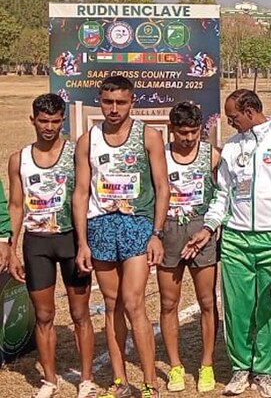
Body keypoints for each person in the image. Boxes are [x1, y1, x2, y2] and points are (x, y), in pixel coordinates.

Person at [186, 89, 271, 397]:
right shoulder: (232, 147)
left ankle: (266, 371)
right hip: (236, 238)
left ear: (250, 112)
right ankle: (240, 369)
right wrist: (209, 227)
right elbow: (222, 195)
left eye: (233, 116)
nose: (230, 121)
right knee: (238, 308)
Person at [73, 76, 170, 398]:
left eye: (121, 102)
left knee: (133, 303)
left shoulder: (149, 136)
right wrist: (83, 242)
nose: (113, 109)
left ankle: (149, 382)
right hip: (100, 226)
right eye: (107, 101)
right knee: (112, 304)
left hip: (136, 225)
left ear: (132, 102)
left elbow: (162, 188)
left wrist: (156, 234)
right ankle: (119, 380)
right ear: (99, 101)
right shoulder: (88, 140)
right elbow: (80, 193)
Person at [6, 94, 97, 398]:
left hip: (71, 240)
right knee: (44, 316)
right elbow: (16, 205)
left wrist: (85, 244)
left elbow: (84, 195)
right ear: (32, 120)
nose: (48, 127)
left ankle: (86, 379)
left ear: (62, 121)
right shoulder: (19, 159)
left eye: (55, 121)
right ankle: (49, 379)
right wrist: (11, 246)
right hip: (37, 244)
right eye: (43, 121)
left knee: (80, 313)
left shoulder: (75, 154)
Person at [158, 102, 221, 393]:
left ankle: (206, 364)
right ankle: (175, 366)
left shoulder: (211, 155)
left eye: (194, 132)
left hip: (200, 232)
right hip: (170, 231)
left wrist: (208, 229)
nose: (188, 138)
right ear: (172, 129)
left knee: (207, 301)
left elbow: (223, 196)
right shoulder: (160, 155)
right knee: (168, 303)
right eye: (182, 132)